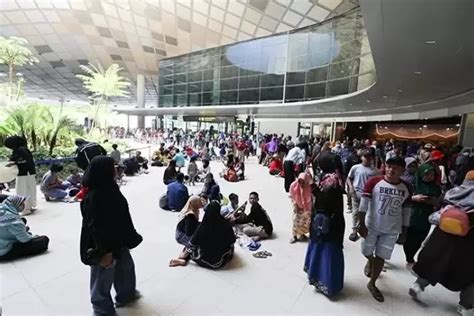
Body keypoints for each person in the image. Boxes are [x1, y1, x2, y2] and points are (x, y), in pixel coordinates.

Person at [79, 156, 143, 315]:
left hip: (119, 240)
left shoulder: (109, 188)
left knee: (126, 268)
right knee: (103, 276)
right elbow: (95, 228)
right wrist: (104, 252)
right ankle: (102, 309)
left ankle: (126, 295)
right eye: (112, 167)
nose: (116, 169)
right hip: (104, 245)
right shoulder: (94, 197)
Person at [408, 171, 474, 314]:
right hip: (469, 241)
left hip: (443, 234)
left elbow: (438, 209)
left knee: (435, 261)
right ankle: (466, 306)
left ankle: (418, 285)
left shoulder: (454, 192)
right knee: (468, 273)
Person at [358, 156, 412, 302]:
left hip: (392, 228)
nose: (390, 170)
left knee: (381, 256)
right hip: (372, 225)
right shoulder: (374, 182)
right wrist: (361, 223)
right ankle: (370, 261)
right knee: (366, 251)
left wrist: (404, 230)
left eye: (395, 168)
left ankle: (372, 283)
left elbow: (407, 210)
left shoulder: (407, 187)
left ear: (402, 171)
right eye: (388, 166)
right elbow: (363, 205)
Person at [304, 148, 346, 297]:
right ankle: (325, 280)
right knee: (327, 250)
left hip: (326, 222)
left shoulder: (330, 181)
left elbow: (323, 202)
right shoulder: (333, 177)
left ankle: (326, 282)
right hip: (332, 220)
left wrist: (311, 185)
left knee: (325, 250)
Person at [403, 163, 441, 272]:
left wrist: (433, 202)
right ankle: (409, 258)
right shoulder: (412, 184)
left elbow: (438, 203)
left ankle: (411, 256)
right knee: (409, 239)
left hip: (426, 216)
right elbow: (403, 199)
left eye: (432, 174)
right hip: (412, 215)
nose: (430, 176)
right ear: (420, 174)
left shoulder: (436, 187)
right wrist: (415, 198)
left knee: (420, 237)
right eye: (427, 174)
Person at [0, 195, 49, 261]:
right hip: (3, 252)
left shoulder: (3, 209)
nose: (24, 205)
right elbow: (24, 239)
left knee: (23, 220)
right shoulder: (14, 221)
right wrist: (33, 236)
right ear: (16, 204)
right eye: (22, 204)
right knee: (44, 240)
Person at [188, 201, 236, 269]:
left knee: (194, 247)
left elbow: (192, 244)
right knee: (231, 247)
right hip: (218, 263)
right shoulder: (226, 225)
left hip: (203, 260)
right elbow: (232, 240)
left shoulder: (203, 226)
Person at [346, 149, 379, 242]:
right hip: (356, 193)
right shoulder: (355, 168)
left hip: (368, 196)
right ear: (361, 157)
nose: (367, 159)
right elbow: (349, 178)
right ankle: (354, 231)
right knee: (355, 213)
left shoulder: (376, 171)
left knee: (366, 213)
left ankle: (364, 228)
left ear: (372, 158)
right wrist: (351, 188)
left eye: (369, 157)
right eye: (365, 157)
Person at [4, 136, 37, 215]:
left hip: (24, 173)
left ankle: (26, 208)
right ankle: (30, 206)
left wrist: (14, 163)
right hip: (28, 173)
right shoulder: (22, 149)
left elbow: (24, 161)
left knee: (22, 191)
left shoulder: (20, 150)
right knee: (29, 189)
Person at [169, 195, 203, 267]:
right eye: (199, 201)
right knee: (197, 243)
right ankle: (181, 258)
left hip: (182, 230)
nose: (201, 202)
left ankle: (182, 258)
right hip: (181, 235)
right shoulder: (190, 215)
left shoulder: (194, 209)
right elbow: (189, 232)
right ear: (194, 203)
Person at [289, 172, 313, 243]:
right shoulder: (294, 185)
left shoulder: (309, 187)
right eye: (300, 182)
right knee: (296, 221)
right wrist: (295, 204)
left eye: (303, 182)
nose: (301, 184)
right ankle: (294, 236)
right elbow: (291, 195)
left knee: (305, 221)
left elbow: (312, 197)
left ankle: (302, 234)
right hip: (297, 205)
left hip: (307, 207)